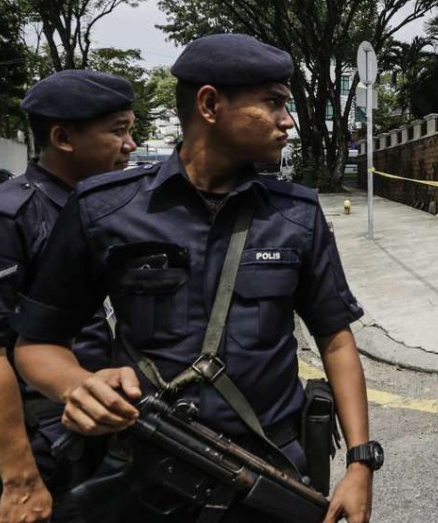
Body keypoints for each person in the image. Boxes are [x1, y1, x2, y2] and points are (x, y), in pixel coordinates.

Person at [13, 34, 378, 523]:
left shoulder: (296, 213)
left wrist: (359, 463)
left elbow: (335, 337)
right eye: (273, 103)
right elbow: (37, 343)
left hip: (268, 474)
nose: (287, 120)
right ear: (209, 105)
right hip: (146, 479)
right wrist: (76, 385)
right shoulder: (104, 208)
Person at [0, 70, 137, 522]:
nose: (130, 145)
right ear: (62, 138)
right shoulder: (13, 216)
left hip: (106, 428)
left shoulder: (108, 212)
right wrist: (19, 477)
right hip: (44, 438)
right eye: (118, 131)